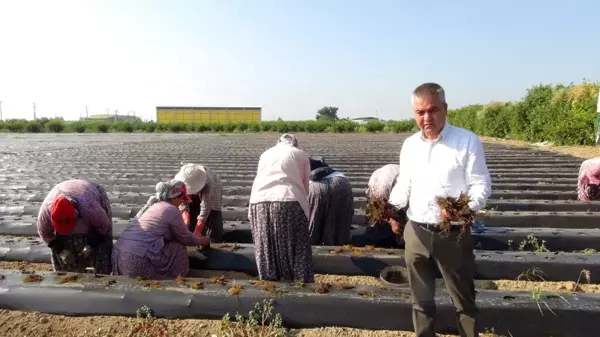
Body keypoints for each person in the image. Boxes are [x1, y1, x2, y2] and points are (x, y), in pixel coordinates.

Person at [388, 82, 492, 337]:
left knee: (463, 300)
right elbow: (404, 183)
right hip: (415, 231)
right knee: (420, 300)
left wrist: (463, 209)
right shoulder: (410, 145)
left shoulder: (466, 141)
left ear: (445, 108)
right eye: (420, 112)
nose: (426, 117)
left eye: (432, 110)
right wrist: (391, 207)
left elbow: (481, 185)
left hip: (452, 234)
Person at [248, 134, 314, 283]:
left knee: (265, 245)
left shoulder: (265, 154)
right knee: (297, 247)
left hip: (258, 201)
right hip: (288, 199)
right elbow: (306, 185)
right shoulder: (300, 154)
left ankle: (270, 284)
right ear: (294, 143)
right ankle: (300, 283)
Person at [112, 180, 210, 279]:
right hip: (135, 261)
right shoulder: (170, 209)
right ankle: (176, 275)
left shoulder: (152, 206)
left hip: (118, 256)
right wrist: (203, 241)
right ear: (177, 196)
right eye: (183, 198)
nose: (182, 202)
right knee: (178, 247)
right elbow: (186, 238)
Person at [36, 179, 113, 274]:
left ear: (75, 214)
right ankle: (64, 273)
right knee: (58, 248)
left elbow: (103, 226)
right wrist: (61, 250)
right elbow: (44, 234)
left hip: (89, 192)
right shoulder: (46, 212)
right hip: (66, 190)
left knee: (104, 243)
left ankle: (103, 272)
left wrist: (90, 245)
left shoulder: (88, 207)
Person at [307, 156, 354, 245]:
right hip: (342, 184)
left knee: (314, 217)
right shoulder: (338, 174)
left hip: (315, 186)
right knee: (339, 220)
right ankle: (337, 244)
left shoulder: (307, 172)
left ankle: (313, 246)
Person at [174, 163, 224, 243]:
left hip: (214, 186)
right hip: (192, 184)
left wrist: (197, 231)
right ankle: (191, 231)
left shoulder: (209, 184)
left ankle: (213, 238)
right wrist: (186, 222)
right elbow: (183, 202)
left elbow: (206, 208)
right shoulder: (180, 181)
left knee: (213, 213)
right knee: (191, 212)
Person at [362, 164, 404, 248]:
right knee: (378, 228)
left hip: (389, 186)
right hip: (379, 195)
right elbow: (376, 209)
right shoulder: (381, 188)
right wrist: (391, 221)